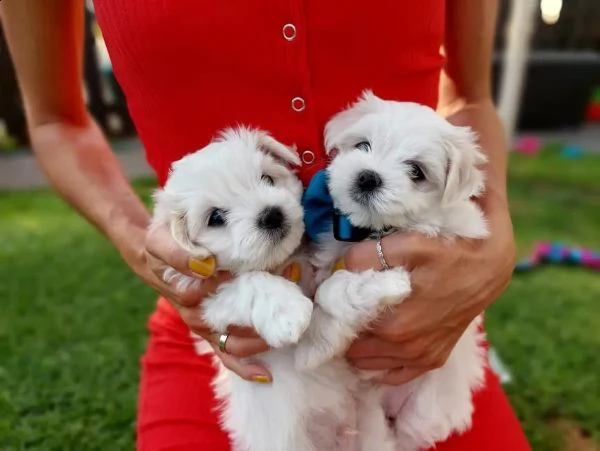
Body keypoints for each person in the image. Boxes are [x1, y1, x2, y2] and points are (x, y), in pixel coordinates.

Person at [1, 1, 531, 450]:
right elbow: (53, 121)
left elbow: (470, 96)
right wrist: (151, 248)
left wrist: (494, 241)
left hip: (423, 327)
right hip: (237, 343)